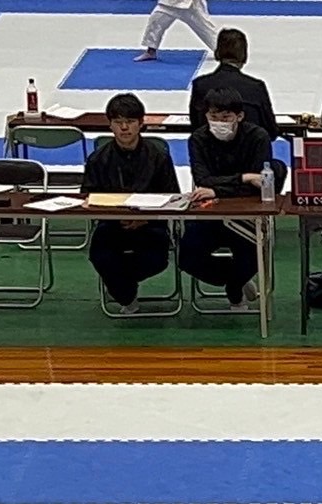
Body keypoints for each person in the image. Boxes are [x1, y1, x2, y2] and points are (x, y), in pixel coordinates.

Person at [80, 94, 181, 312]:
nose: (124, 128)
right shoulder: (98, 159)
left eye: (130, 121)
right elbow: (88, 197)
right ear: (110, 125)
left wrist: (145, 219)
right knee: (99, 256)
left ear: (141, 123)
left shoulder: (159, 157)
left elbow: (173, 197)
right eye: (118, 122)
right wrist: (115, 217)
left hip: (151, 224)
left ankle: (120, 286)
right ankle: (126, 295)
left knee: (156, 260)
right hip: (112, 224)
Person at [182, 88, 274, 308]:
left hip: (247, 216)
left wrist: (217, 189)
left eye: (225, 117)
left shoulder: (258, 137)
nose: (219, 122)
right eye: (213, 116)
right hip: (210, 215)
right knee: (186, 257)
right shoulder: (198, 139)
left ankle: (235, 287)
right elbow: (202, 179)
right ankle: (236, 281)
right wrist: (243, 178)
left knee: (254, 255)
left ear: (239, 116)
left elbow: (259, 184)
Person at [190, 29, 280, 140]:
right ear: (244, 55)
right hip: (250, 149)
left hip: (209, 149)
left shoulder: (200, 85)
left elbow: (196, 127)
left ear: (217, 53)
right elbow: (271, 130)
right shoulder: (256, 87)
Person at [136, 0, 218, 61]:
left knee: (207, 29)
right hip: (168, 3)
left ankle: (224, 50)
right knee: (155, 22)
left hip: (192, 5)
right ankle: (151, 51)